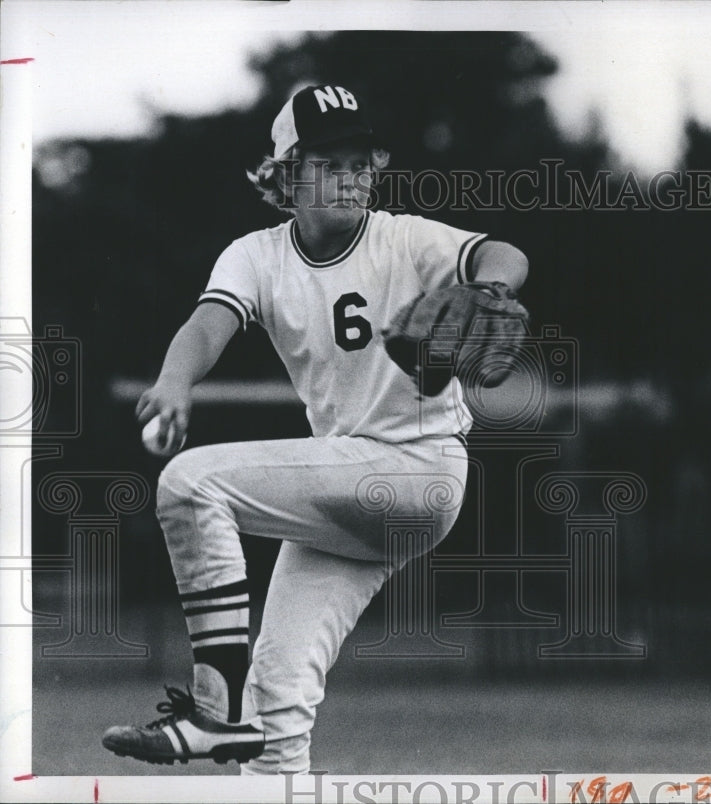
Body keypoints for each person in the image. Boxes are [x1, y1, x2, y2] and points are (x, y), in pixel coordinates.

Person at [101, 83, 528, 774]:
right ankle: (246, 739)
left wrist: (491, 289)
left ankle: (211, 709)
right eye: (332, 161)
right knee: (276, 708)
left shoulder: (403, 237)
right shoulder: (257, 256)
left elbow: (502, 253)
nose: (353, 175)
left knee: (189, 482)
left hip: (418, 474)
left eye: (362, 160)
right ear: (285, 173)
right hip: (349, 491)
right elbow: (207, 323)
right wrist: (176, 379)